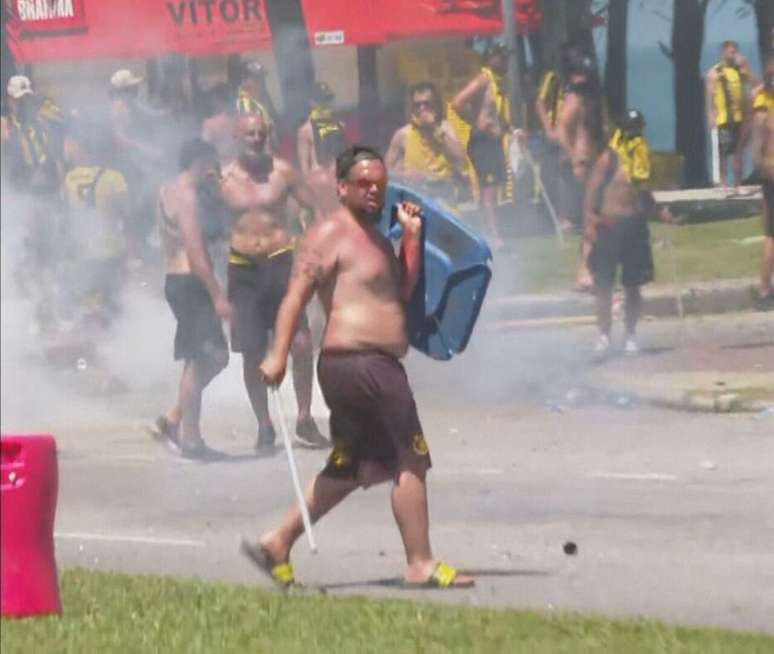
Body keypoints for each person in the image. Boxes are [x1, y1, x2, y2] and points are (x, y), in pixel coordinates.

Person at [242, 145, 475, 590]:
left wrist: (410, 239)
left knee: (349, 468)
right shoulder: (331, 232)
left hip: (369, 364)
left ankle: (277, 542)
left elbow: (400, 294)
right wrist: (277, 354)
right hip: (361, 364)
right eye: (364, 183)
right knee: (411, 456)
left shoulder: (377, 237)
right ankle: (420, 563)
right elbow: (296, 295)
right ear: (342, 186)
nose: (374, 191)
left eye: (380, 184)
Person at [221, 113, 327, 453]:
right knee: (251, 350)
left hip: (281, 262)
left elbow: (318, 210)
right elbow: (202, 217)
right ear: (236, 138)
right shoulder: (221, 178)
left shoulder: (283, 172)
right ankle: (264, 425)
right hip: (243, 270)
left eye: (260, 133)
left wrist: (317, 249)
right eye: (248, 133)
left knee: (300, 342)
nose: (255, 138)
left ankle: (305, 418)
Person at [152, 139, 231, 458]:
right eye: (210, 164)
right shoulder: (188, 196)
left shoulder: (165, 190)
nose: (213, 171)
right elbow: (197, 254)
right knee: (208, 358)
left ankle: (173, 419)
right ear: (198, 161)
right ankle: (191, 438)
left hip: (175, 278)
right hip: (192, 279)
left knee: (200, 359)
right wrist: (218, 295)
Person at [584, 109, 672, 357]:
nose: (635, 135)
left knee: (633, 285)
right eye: (631, 130)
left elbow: (643, 192)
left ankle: (630, 335)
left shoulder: (641, 159)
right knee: (604, 285)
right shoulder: (608, 160)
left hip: (635, 226)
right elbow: (591, 192)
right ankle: (603, 336)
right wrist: (590, 222)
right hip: (610, 225)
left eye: (638, 129)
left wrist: (659, 211)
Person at [60, 120, 131, 330]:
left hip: (81, 251)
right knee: (111, 305)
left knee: (88, 305)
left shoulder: (69, 178)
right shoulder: (115, 178)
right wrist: (132, 253)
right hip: (109, 251)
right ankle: (112, 348)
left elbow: (65, 216)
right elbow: (126, 218)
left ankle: (91, 348)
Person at [452, 42, 515, 250]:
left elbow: (497, 114)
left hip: (494, 141)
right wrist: (476, 122)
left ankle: (492, 230)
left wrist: (509, 129)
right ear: (491, 58)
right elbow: (458, 102)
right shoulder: (483, 79)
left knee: (494, 188)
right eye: (502, 57)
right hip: (482, 142)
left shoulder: (499, 82)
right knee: (488, 190)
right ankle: (492, 235)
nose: (506, 61)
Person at [553, 49, 605, 290]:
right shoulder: (575, 97)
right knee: (590, 219)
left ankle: (589, 270)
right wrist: (574, 156)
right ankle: (584, 272)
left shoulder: (588, 97)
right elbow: (561, 127)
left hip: (591, 162)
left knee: (594, 219)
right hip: (583, 163)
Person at [108, 68, 164, 263]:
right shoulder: (119, 106)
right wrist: (148, 150)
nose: (137, 89)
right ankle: (132, 255)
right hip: (126, 167)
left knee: (143, 202)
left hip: (136, 165)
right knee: (129, 209)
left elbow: (150, 115)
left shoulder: (129, 105)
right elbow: (120, 139)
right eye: (133, 87)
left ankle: (141, 247)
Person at [385, 81, 466, 206]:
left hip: (444, 201)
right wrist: (405, 175)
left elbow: (460, 160)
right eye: (417, 105)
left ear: (436, 106)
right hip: (415, 202)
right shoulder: (403, 134)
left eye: (427, 104)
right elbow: (385, 172)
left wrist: (435, 128)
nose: (422, 109)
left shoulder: (446, 129)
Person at [705, 41, 752, 192]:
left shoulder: (739, 71)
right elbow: (710, 97)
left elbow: (750, 84)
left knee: (738, 153)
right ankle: (724, 185)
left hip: (739, 118)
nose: (734, 55)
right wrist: (711, 116)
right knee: (723, 154)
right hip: (723, 119)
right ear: (724, 53)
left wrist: (745, 65)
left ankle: (738, 185)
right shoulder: (715, 72)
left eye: (736, 52)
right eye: (732, 52)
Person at [750, 53, 774, 311]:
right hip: (772, 175)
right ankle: (764, 289)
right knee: (772, 235)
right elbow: (757, 156)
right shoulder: (763, 108)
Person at [297, 81, 347, 178]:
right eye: (321, 100)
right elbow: (304, 162)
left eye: (327, 99)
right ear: (312, 103)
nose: (325, 104)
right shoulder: (306, 130)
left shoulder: (339, 124)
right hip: (319, 180)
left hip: (338, 178)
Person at [202, 83, 237, 166]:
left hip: (222, 166)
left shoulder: (210, 123)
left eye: (212, 100)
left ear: (216, 100)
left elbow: (203, 148)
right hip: (241, 164)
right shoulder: (241, 119)